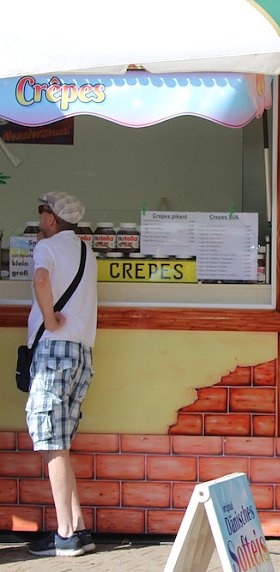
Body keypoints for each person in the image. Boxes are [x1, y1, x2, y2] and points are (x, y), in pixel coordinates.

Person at [25, 192, 98, 558]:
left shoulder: (47, 248)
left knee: (51, 444)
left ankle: (66, 534)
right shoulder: (87, 252)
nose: (39, 219)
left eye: (41, 213)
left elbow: (41, 280)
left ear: (51, 218)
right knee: (62, 444)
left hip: (54, 353)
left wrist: (50, 320)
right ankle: (78, 527)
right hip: (81, 354)